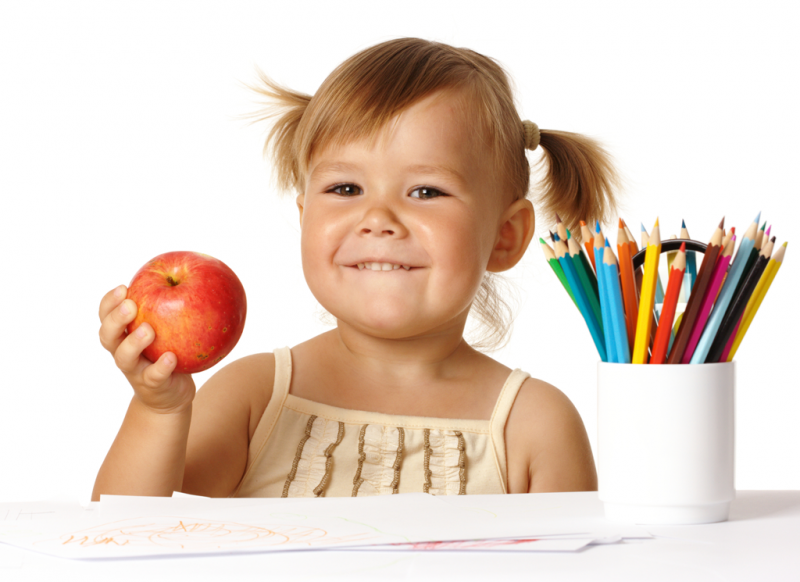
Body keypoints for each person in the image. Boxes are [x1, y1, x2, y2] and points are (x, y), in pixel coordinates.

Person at [92, 37, 619, 501]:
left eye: (425, 191)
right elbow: (126, 536)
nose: (378, 219)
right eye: (346, 189)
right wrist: (159, 412)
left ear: (505, 236)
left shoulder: (534, 426)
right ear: (304, 218)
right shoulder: (255, 396)